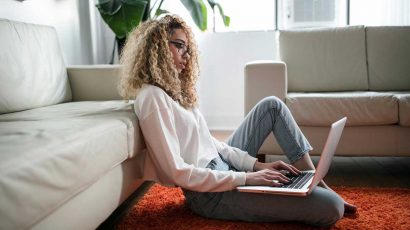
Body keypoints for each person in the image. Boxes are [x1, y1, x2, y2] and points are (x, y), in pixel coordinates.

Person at [119, 14, 356, 227]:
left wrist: (255, 166)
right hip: (209, 194)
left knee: (271, 105)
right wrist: (246, 178)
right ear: (157, 47)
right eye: (179, 46)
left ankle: (314, 181)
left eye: (188, 48)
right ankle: (314, 189)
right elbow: (176, 172)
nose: (186, 55)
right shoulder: (151, 97)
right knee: (331, 207)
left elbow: (211, 143)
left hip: (224, 168)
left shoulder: (175, 92)